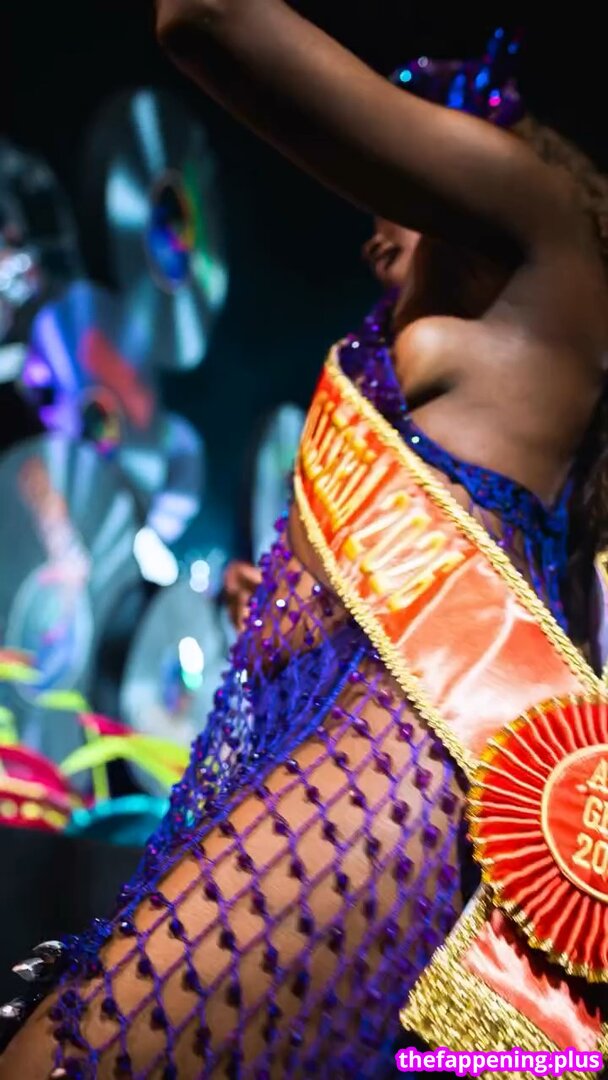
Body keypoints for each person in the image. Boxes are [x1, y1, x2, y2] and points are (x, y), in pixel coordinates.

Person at [1, 6, 608, 1077]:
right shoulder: (470, 359)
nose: (375, 230)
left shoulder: (547, 231)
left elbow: (208, 19)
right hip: (359, 770)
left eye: (409, 187)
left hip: (392, 776)